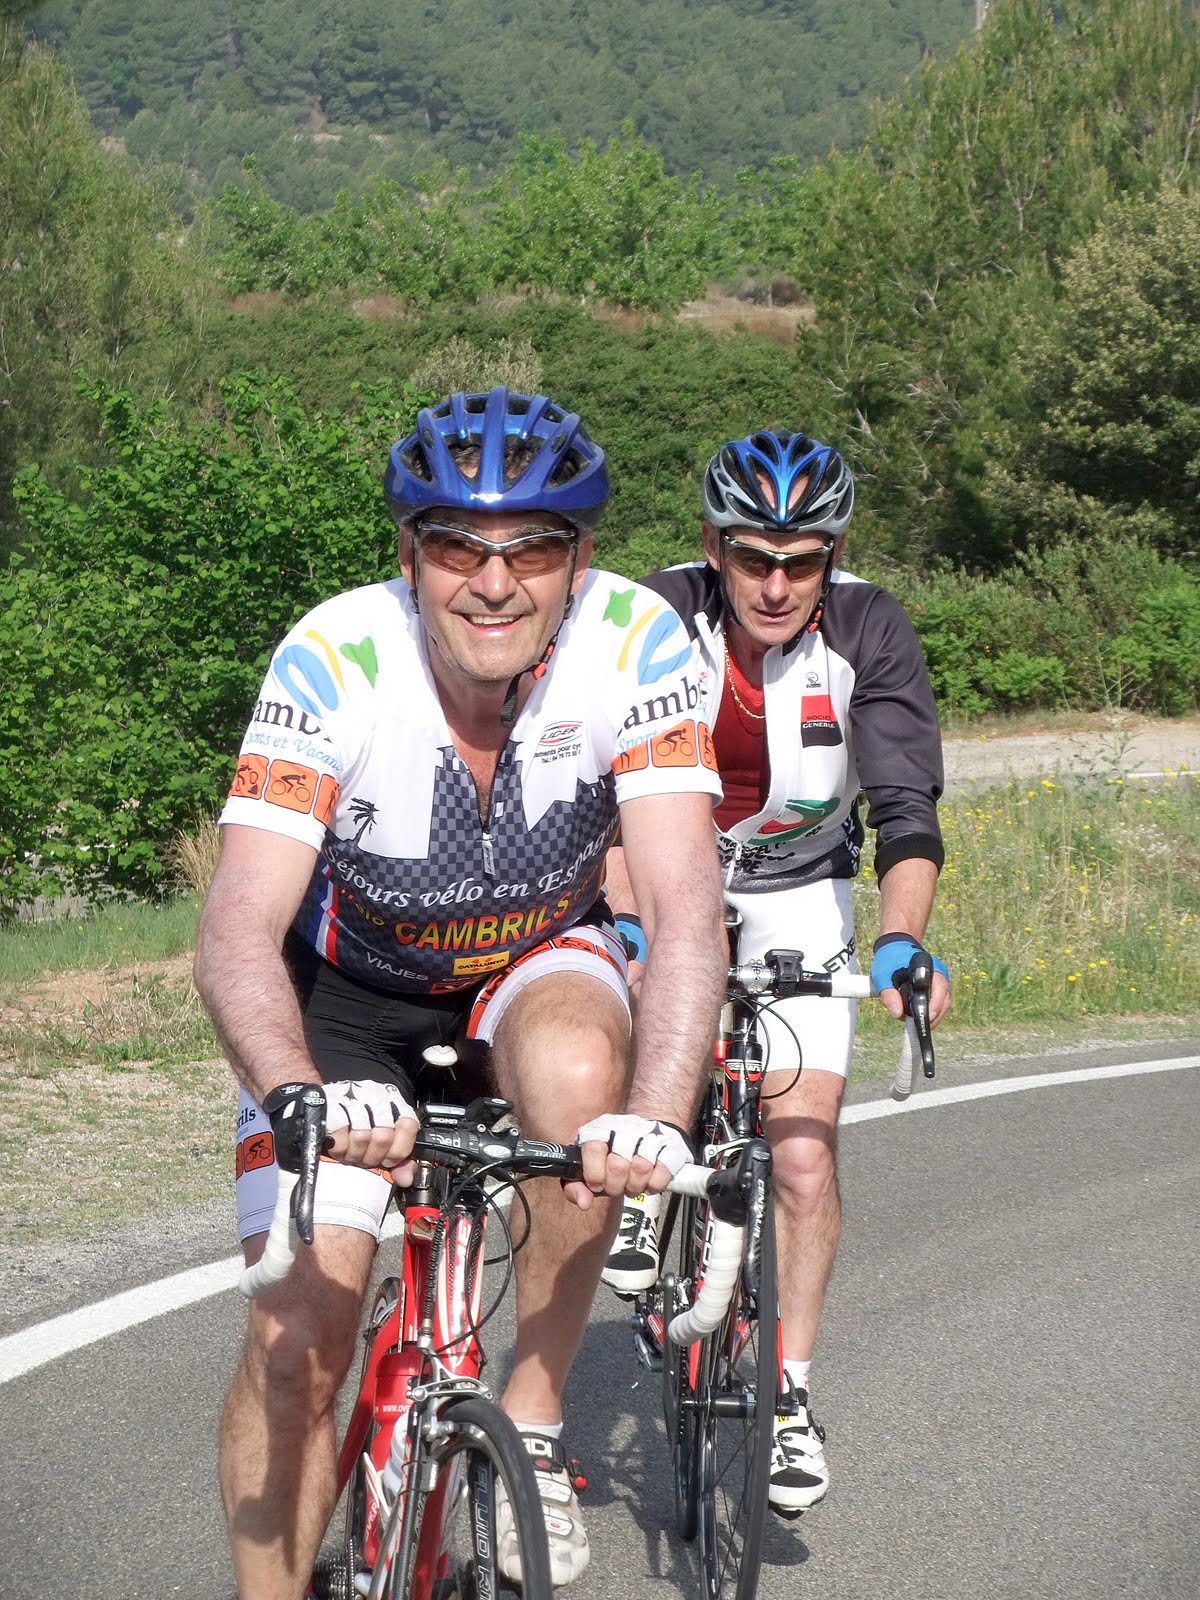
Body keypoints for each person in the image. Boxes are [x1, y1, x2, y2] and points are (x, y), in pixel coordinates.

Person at [193, 386, 727, 1599]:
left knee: (586, 1081)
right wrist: (296, 1090)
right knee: (299, 1338)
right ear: (409, 556)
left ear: (580, 560)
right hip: (345, 997)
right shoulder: (335, 656)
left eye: (533, 549)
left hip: (533, 967)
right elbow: (235, 924)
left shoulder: (638, 642)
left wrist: (657, 1114)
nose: (494, 583)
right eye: (456, 547)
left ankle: (529, 1418)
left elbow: (685, 907)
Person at [601, 427, 951, 1516]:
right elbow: (599, 784)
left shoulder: (868, 626)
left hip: (804, 883)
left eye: (804, 562)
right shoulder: (656, 616)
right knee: (647, 998)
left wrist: (899, 939)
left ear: (832, 557)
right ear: (713, 546)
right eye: (754, 558)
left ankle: (789, 1393)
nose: (778, 585)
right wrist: (629, 922)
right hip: (671, 869)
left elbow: (904, 805)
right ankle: (650, 1173)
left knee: (801, 1160)